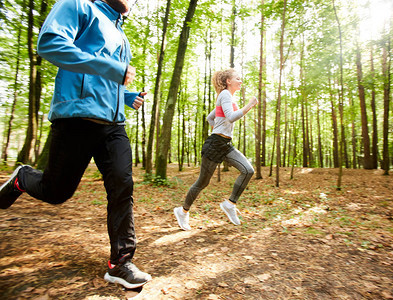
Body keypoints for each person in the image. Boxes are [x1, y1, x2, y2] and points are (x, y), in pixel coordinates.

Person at [0, 0, 151, 289]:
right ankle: (22, 178)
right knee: (56, 192)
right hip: (75, 118)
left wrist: (127, 95)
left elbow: (104, 80)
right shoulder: (78, 6)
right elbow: (49, 44)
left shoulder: (120, 32)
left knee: (122, 186)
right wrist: (110, 67)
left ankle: (120, 263)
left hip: (113, 124)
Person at [174, 69, 258, 231]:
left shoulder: (229, 99)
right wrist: (249, 105)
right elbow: (231, 117)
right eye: (237, 78)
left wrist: (218, 128)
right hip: (215, 145)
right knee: (202, 182)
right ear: (228, 81)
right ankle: (183, 211)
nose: (240, 81)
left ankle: (230, 204)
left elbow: (210, 118)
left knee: (247, 170)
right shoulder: (225, 95)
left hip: (225, 144)